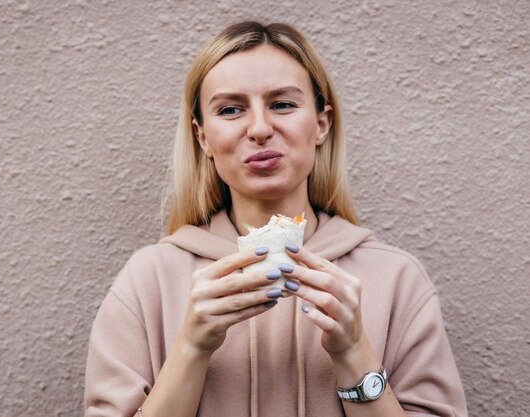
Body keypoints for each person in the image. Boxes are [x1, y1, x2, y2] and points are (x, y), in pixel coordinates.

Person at [84, 21, 468, 417]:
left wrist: (354, 352)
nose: (260, 129)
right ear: (203, 139)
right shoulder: (149, 280)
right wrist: (192, 347)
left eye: (282, 104)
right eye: (231, 109)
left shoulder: (397, 280)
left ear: (321, 124)